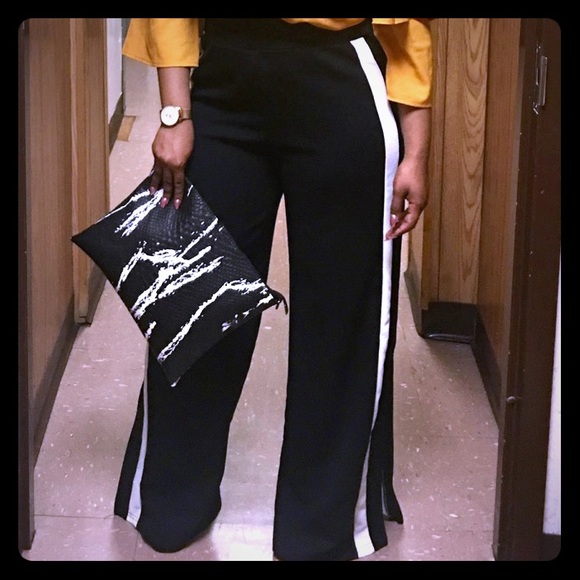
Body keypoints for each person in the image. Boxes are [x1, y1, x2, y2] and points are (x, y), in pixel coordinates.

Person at [116, 18, 432, 561]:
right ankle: (174, 495)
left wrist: (417, 152)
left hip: (342, 78)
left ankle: (321, 522)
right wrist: (174, 112)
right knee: (198, 300)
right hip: (224, 78)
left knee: (340, 318)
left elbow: (411, 28)